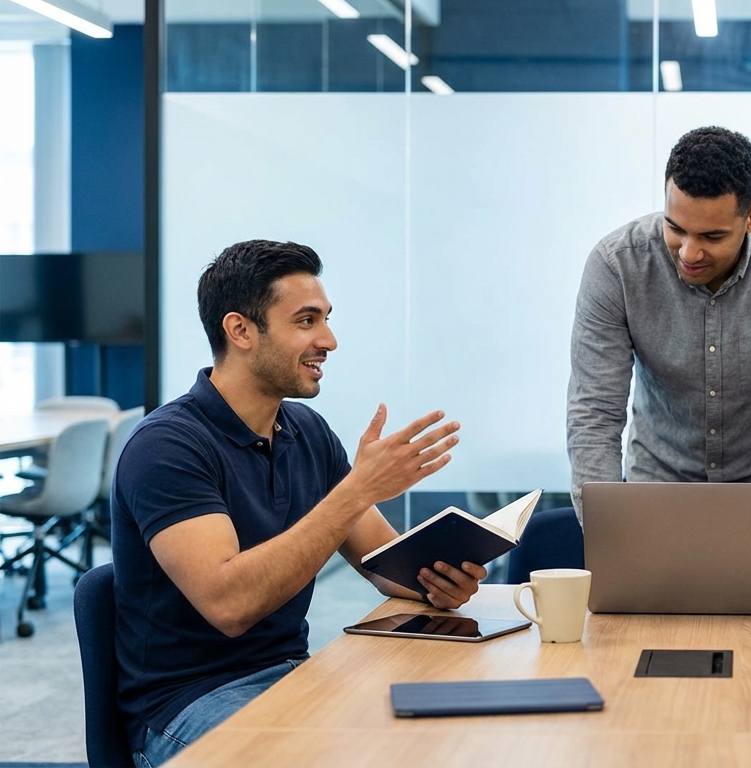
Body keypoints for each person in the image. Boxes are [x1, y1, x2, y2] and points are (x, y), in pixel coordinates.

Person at [112, 240, 487, 767]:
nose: (329, 340)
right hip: (189, 705)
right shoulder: (166, 447)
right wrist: (358, 488)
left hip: (294, 673)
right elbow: (230, 606)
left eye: (326, 320)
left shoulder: (305, 430)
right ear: (240, 330)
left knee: (444, 738)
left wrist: (439, 581)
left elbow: (387, 566)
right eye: (306, 321)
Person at [566, 126, 751, 597]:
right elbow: (594, 416)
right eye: (675, 228)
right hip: (656, 494)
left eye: (712, 235)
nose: (689, 251)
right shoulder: (617, 265)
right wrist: (607, 539)